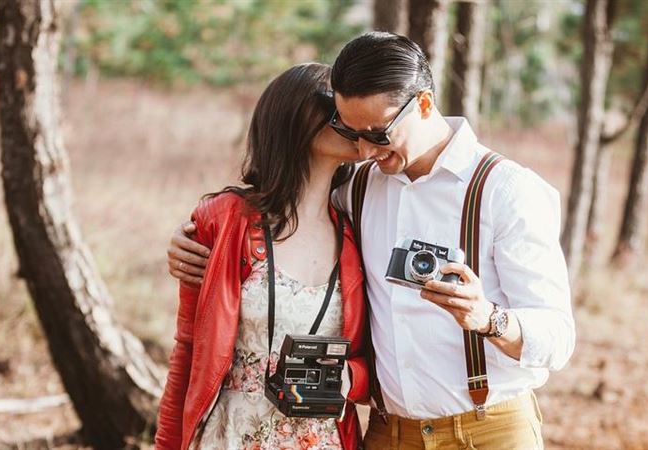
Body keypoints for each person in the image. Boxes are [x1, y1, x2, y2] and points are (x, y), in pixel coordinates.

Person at [168, 33, 575, 449]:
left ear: (423, 104)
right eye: (350, 131)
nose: (364, 148)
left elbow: (558, 339)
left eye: (378, 134)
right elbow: (280, 207)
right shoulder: (355, 190)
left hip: (488, 430)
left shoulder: (506, 190)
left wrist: (488, 317)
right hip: (388, 433)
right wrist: (190, 240)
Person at [155, 63, 371, 450]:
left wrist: (347, 379)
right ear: (290, 116)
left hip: (319, 439)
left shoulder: (358, 234)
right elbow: (188, 350)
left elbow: (373, 360)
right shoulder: (223, 221)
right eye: (330, 100)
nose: (346, 114)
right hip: (230, 435)